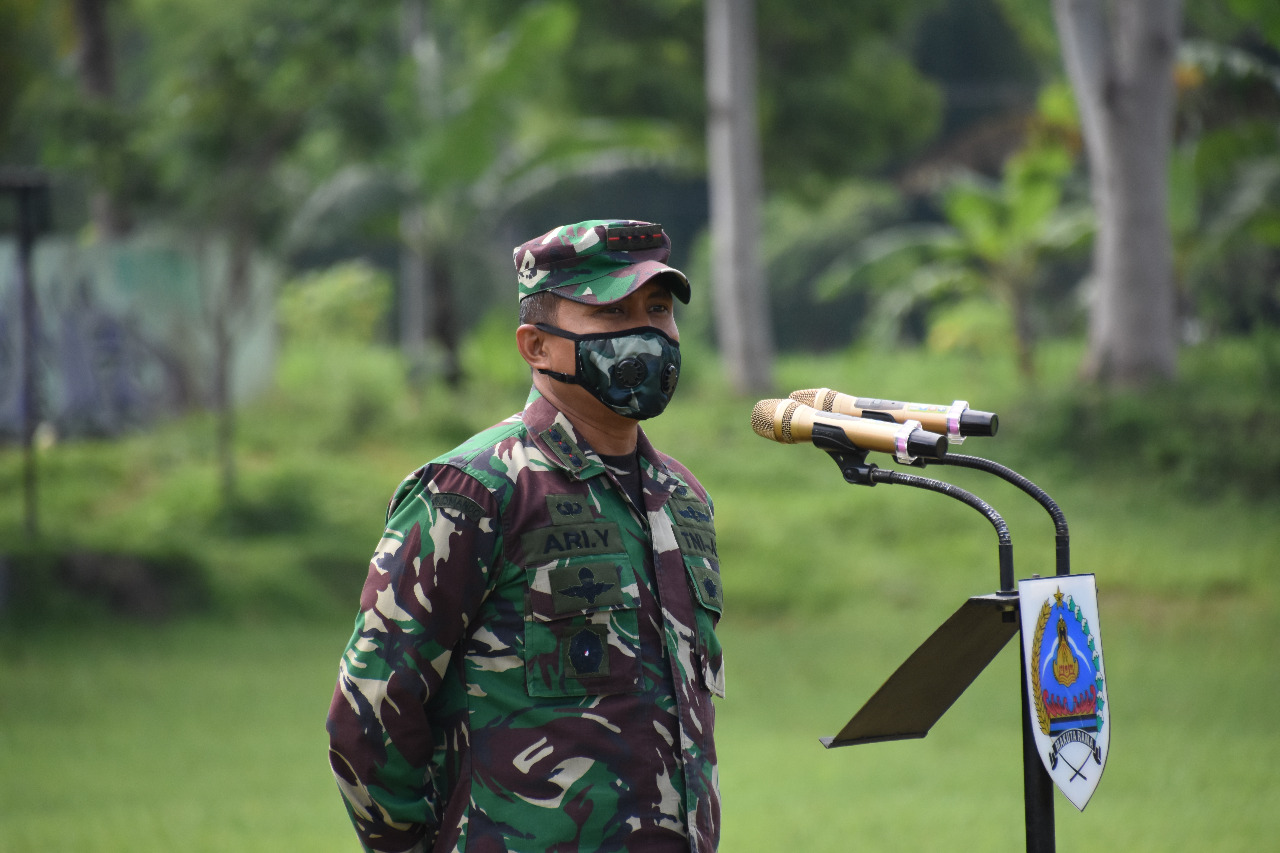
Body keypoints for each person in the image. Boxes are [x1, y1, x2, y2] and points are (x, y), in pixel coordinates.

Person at [326, 219, 725, 853]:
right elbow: (371, 710)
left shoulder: (682, 498)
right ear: (537, 346)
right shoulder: (475, 491)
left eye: (657, 309)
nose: (647, 333)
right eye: (612, 312)